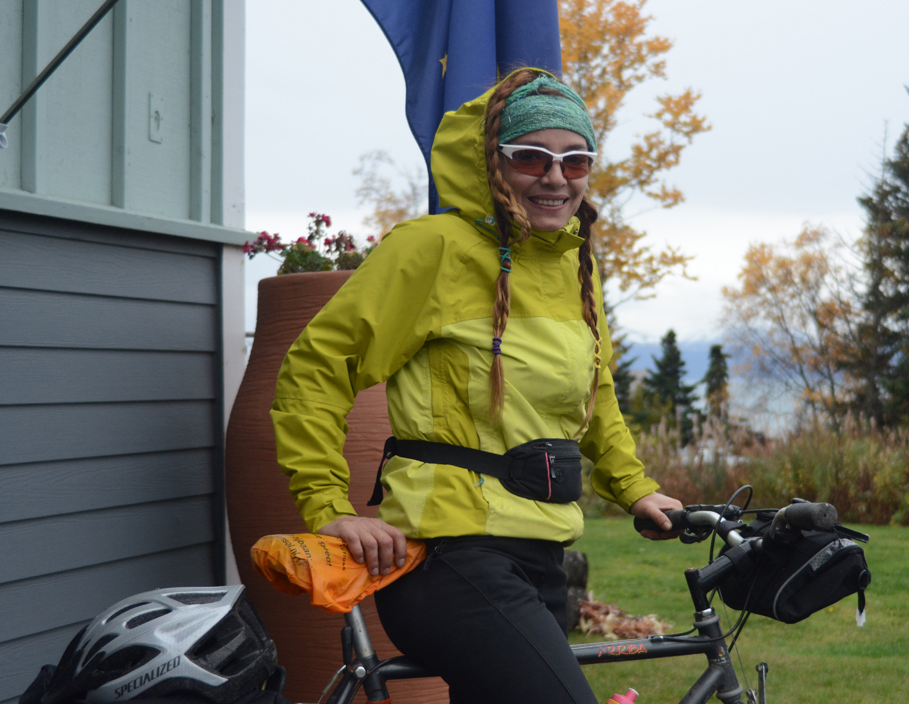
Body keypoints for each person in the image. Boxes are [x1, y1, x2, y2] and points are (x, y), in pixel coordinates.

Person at [271, 68, 682, 704]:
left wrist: (635, 489)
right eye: (531, 157)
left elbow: (594, 391)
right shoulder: (432, 248)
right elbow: (316, 368)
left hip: (543, 560)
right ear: (493, 162)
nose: (555, 176)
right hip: (453, 562)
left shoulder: (576, 261)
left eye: (575, 161)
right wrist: (331, 508)